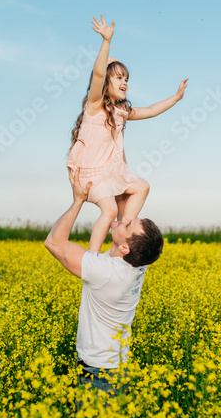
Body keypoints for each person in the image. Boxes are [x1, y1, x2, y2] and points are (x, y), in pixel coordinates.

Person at [67, 14, 188, 252]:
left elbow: (151, 110)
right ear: (105, 84)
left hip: (111, 169)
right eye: (119, 78)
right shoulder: (94, 106)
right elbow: (99, 74)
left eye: (127, 79)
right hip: (91, 171)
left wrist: (176, 97)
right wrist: (106, 42)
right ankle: (92, 257)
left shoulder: (121, 112)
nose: (125, 83)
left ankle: (120, 237)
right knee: (109, 210)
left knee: (142, 187)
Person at [44, 168, 163, 396]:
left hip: (100, 375)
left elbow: (53, 242)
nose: (123, 220)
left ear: (125, 247)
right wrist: (115, 142)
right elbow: (125, 195)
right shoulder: (138, 261)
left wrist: (78, 200)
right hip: (116, 368)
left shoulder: (106, 272)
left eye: (127, 225)